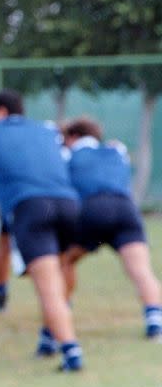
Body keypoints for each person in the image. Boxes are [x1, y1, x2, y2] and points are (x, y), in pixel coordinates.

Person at [0, 90, 84, 372]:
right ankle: (51, 336)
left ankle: (71, 350)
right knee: (65, 269)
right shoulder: (48, 129)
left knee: (48, 286)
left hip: (30, 206)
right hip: (69, 203)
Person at [60, 116, 162, 341]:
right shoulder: (116, 151)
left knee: (65, 260)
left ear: (73, 137)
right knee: (141, 270)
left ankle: (61, 310)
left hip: (92, 209)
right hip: (126, 209)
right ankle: (155, 322)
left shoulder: (69, 154)